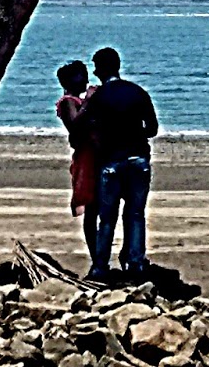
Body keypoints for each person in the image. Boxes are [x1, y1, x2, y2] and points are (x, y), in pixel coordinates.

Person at [81, 46, 159, 281]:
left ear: (102, 69)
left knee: (107, 218)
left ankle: (100, 267)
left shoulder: (99, 97)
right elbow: (152, 128)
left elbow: (88, 128)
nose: (95, 72)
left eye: (96, 68)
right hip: (138, 158)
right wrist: (134, 134)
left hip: (111, 161)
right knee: (135, 214)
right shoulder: (137, 92)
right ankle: (135, 264)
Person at [55, 60, 99, 262]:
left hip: (93, 154)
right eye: (81, 77)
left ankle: (99, 254)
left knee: (97, 206)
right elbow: (75, 126)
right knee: (91, 208)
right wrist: (89, 101)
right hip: (86, 158)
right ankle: (96, 256)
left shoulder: (76, 101)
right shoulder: (68, 102)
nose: (86, 80)